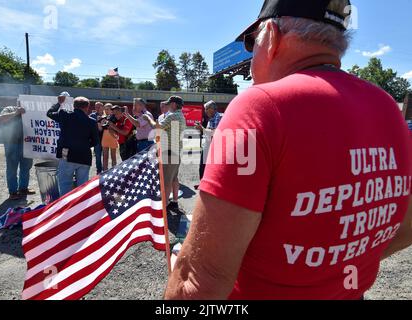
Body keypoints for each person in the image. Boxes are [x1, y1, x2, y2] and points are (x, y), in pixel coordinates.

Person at [165, 0, 412, 300]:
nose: (251, 54)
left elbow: (201, 282)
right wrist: (335, 266)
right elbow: (405, 225)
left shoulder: (259, 108)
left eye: (251, 41)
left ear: (270, 35)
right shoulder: (387, 107)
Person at [47, 96, 99, 197]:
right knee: (82, 187)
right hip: (84, 156)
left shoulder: (64, 114)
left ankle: (65, 208)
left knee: (65, 184)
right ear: (87, 107)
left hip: (66, 154)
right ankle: (79, 209)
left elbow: (49, 113)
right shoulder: (92, 121)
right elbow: (95, 141)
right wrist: (83, 145)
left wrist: (58, 103)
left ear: (74, 106)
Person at [144, 96, 186, 212]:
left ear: (173, 104)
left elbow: (157, 127)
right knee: (174, 178)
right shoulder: (180, 116)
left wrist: (148, 119)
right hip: (176, 151)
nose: (166, 106)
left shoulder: (172, 116)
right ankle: (174, 201)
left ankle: (164, 204)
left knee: (167, 180)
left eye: (169, 104)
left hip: (169, 152)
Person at [0, 103, 35, 200]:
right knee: (12, 168)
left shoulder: (30, 110)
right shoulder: (9, 108)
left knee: (26, 167)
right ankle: (13, 192)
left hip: (26, 143)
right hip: (11, 144)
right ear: (17, 101)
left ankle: (23, 188)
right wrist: (16, 112)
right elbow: (2, 118)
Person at [195, 100, 223, 181]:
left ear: (212, 109)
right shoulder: (211, 118)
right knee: (202, 166)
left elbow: (215, 132)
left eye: (207, 109)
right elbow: (208, 132)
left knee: (210, 167)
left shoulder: (219, 117)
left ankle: (207, 185)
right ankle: (203, 183)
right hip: (208, 145)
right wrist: (201, 130)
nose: (205, 111)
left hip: (215, 146)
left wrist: (202, 129)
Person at [100, 103, 119, 171]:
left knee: (113, 156)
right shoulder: (103, 117)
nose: (106, 110)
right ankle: (105, 172)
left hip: (113, 136)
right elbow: (100, 128)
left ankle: (114, 172)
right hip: (105, 137)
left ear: (112, 110)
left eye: (108, 109)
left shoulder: (116, 117)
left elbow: (115, 127)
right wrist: (101, 123)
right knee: (105, 156)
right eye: (105, 109)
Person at [89, 102, 104, 174]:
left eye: (99, 107)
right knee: (98, 156)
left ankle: (106, 170)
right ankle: (99, 170)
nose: (97, 108)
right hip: (96, 139)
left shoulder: (105, 115)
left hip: (105, 138)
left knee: (106, 156)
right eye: (96, 107)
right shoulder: (92, 115)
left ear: (102, 107)